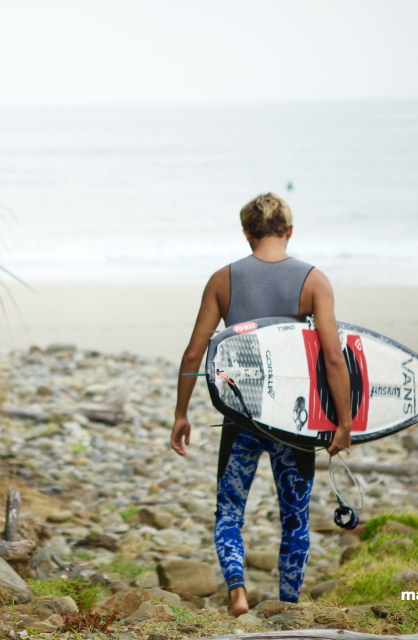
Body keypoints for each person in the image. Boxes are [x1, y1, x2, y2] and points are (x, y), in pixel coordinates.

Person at [170, 192, 353, 616]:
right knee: (295, 518)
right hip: (295, 421)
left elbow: (194, 353)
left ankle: (237, 593)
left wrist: (181, 413)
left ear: (246, 233)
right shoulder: (314, 281)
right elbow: (331, 357)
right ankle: (288, 604)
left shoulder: (223, 280)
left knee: (230, 511)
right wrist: (343, 422)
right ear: (288, 231)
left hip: (241, 416)